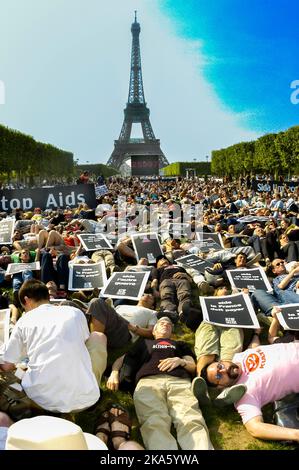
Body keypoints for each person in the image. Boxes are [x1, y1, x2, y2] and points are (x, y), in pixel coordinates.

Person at [0, 279, 106, 417]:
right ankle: (90, 383)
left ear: (26, 300)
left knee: (10, 375)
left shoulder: (24, 321)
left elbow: (6, 366)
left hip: (42, 401)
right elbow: (83, 341)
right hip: (87, 398)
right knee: (98, 337)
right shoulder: (74, 312)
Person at [107, 317, 213, 450]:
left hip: (179, 382)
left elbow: (193, 366)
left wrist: (181, 361)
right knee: (154, 422)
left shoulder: (180, 344)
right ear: (154, 330)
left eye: (169, 324)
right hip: (148, 383)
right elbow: (122, 359)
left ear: (172, 331)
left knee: (191, 418)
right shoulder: (144, 343)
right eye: (162, 323)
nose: (166, 325)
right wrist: (114, 373)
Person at [201, 342, 299, 443]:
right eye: (218, 376)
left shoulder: (239, 356)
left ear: (221, 361)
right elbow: (255, 428)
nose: (223, 370)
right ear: (220, 386)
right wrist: (295, 435)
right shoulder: (244, 394)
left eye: (220, 366)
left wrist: (256, 334)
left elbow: (254, 346)